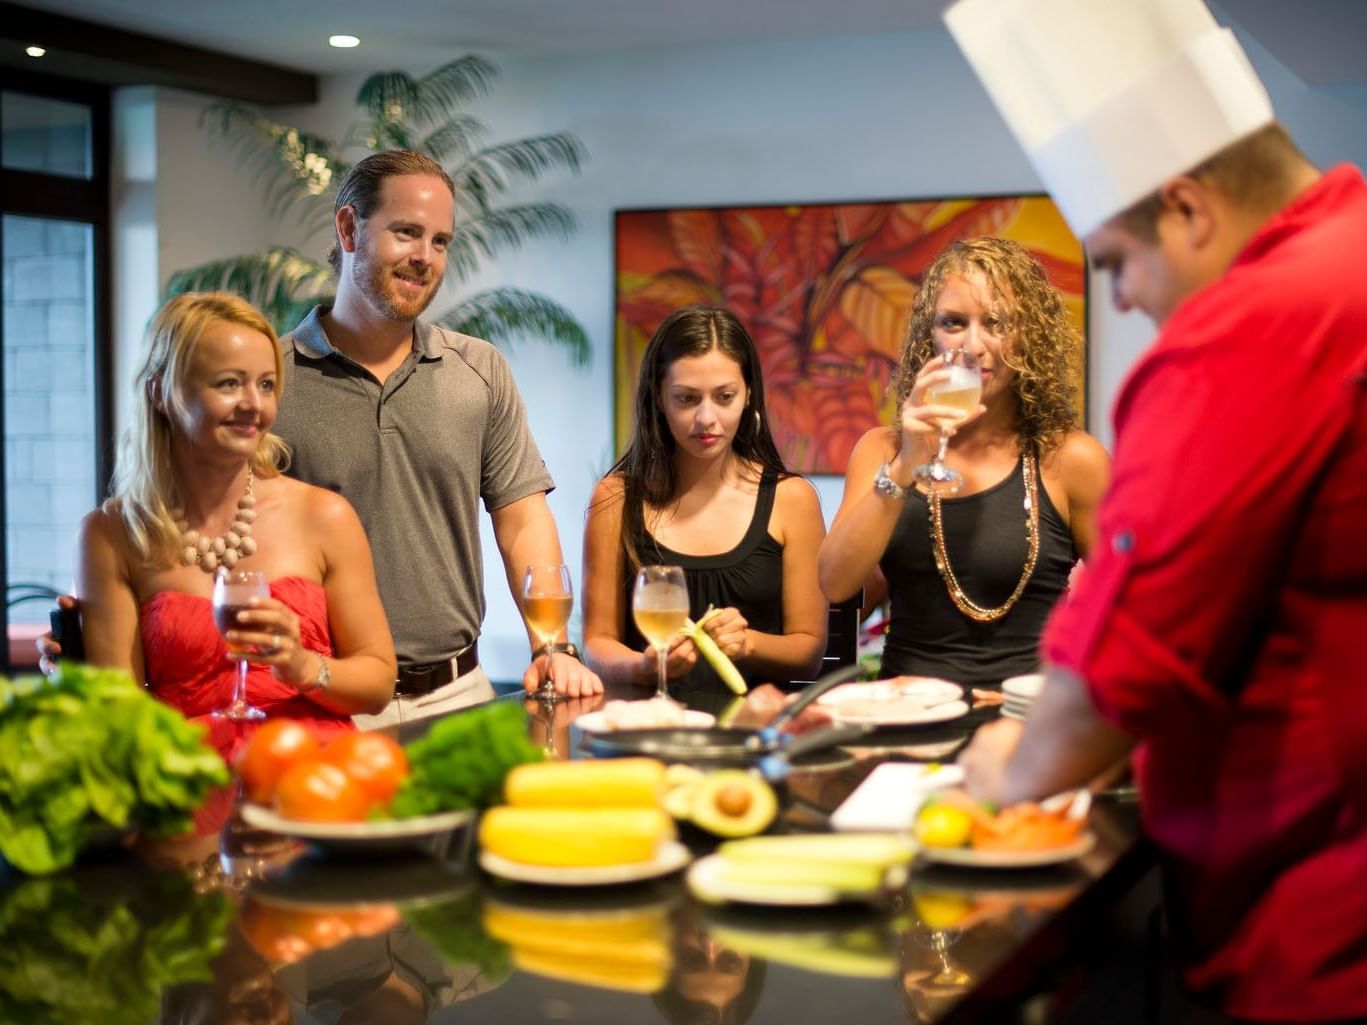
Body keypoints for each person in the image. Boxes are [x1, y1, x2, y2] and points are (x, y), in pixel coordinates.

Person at [946, 0, 1367, 1020]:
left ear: (1184, 207)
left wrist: (1005, 765)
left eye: (1115, 263)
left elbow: (1110, 684)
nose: (1124, 302)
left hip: (1307, 929)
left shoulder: (1244, 328)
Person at [74, 292, 396, 760]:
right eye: (229, 383)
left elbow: (377, 683)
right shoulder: (110, 535)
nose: (253, 405)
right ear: (160, 392)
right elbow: (120, 718)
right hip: (189, 786)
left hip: (316, 787)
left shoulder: (324, 515)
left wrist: (304, 667)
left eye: (266, 385)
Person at [818, 237, 1109, 688]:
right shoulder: (882, 449)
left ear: (1028, 333)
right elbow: (835, 584)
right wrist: (905, 467)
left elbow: (1125, 606)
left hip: (1023, 722)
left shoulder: (1070, 458)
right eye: (954, 323)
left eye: (996, 322)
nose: (973, 344)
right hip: (906, 718)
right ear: (929, 334)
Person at [582, 305, 827, 714]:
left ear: (749, 395)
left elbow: (809, 650)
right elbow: (597, 643)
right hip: (648, 731)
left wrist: (748, 643)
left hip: (756, 736)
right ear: (659, 397)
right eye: (686, 399)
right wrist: (644, 666)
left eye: (725, 397)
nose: (706, 418)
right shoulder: (615, 498)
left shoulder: (792, 499)